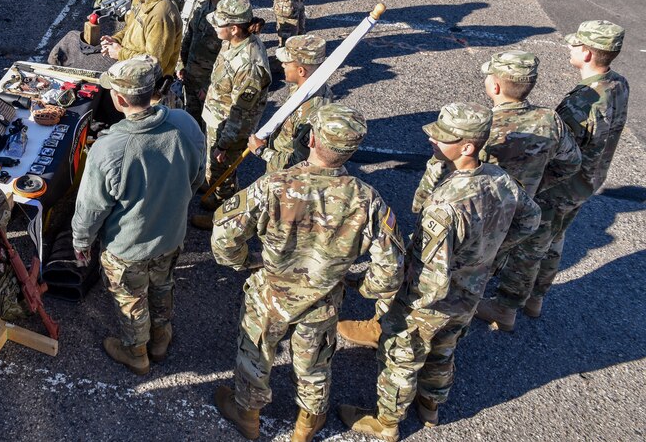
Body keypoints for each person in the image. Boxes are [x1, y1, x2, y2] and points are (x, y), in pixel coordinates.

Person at [338, 103, 540, 441]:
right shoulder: (500, 178)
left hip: (431, 298)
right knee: (445, 348)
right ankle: (430, 405)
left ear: (467, 146)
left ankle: (387, 423)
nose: (432, 140)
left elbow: (430, 280)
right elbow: (530, 219)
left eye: (442, 138)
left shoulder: (444, 207)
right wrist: (488, 254)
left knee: (401, 356)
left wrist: (402, 305)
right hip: (471, 288)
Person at [210, 104, 405, 442]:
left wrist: (244, 262)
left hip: (271, 291)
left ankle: (248, 416)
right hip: (323, 298)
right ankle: (304, 428)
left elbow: (225, 234)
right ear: (351, 150)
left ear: (312, 139)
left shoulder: (274, 185)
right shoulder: (367, 200)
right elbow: (391, 269)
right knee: (314, 365)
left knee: (256, 352)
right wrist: (362, 286)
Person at [483, 22, 629, 327]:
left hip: (561, 186)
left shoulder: (581, 102)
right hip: (587, 182)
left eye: (575, 45)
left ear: (587, 53)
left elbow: (560, 151)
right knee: (555, 238)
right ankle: (536, 297)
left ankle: (506, 306)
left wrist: (535, 183)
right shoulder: (618, 84)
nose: (571, 48)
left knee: (531, 245)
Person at [72, 55, 206, 375]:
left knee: (131, 299)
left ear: (118, 99)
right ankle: (160, 337)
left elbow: (91, 208)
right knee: (162, 284)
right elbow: (198, 175)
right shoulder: (185, 123)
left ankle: (136, 352)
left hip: (128, 246)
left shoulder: (109, 148)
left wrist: (81, 241)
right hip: (171, 235)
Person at [454, 51, 580, 332]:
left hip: (484, 214)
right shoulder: (550, 120)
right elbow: (571, 162)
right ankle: (508, 309)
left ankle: (456, 316)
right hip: (526, 208)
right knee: (524, 255)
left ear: (494, 87)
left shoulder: (485, 127)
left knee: (473, 263)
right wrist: (535, 187)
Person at [195, 0, 272, 224]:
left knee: (224, 169)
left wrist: (224, 145)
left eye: (219, 24)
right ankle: (216, 191)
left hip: (229, 128)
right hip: (218, 116)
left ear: (234, 28)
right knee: (215, 168)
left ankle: (223, 217)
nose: (215, 27)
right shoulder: (232, 41)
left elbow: (240, 113)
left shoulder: (249, 64)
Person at [247, 34, 333, 173]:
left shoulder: (309, 112)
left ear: (301, 71)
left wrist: (261, 151)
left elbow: (299, 162)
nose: (282, 65)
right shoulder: (308, 88)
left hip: (286, 178)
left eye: (286, 63)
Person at [178, 0, 232, 126]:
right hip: (191, 77)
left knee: (208, 129)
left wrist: (210, 87)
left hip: (210, 88)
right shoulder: (202, 3)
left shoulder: (231, 16)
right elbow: (189, 36)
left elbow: (229, 59)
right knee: (190, 123)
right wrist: (182, 65)